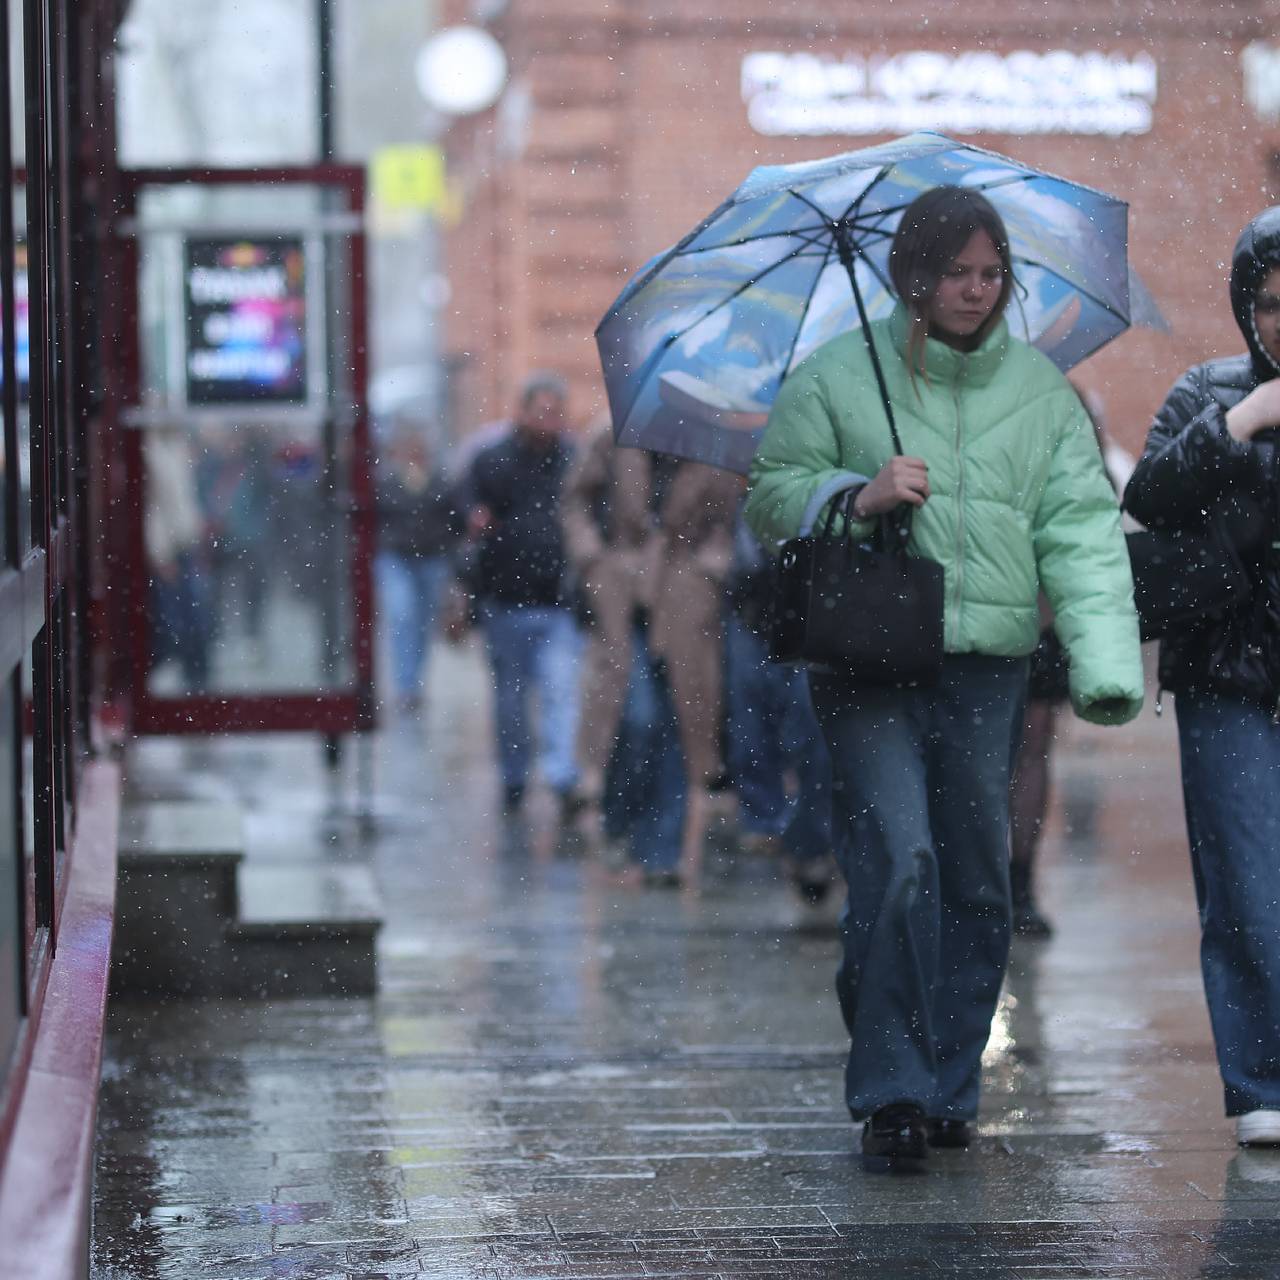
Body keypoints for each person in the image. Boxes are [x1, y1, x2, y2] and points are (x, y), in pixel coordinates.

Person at [745, 185, 1143, 1167]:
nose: (975, 289)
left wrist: (1103, 667)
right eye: (956, 271)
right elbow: (768, 496)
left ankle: (948, 1077)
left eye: (989, 272)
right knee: (897, 867)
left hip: (987, 669)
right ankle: (889, 1088)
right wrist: (855, 492)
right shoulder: (839, 376)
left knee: (974, 881)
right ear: (911, 278)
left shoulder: (1040, 394)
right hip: (869, 661)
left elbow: (1082, 532)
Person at [1123, 206, 1280, 1148]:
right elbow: (1146, 496)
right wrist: (1242, 421)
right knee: (1248, 882)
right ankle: (1263, 1079)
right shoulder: (1205, 391)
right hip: (1228, 670)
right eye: (1269, 305)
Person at [462, 373, 582, 818]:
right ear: (523, 412)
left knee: (560, 690)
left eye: (556, 412)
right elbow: (465, 512)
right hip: (505, 599)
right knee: (511, 699)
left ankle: (562, 775)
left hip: (557, 600)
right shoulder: (492, 460)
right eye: (542, 411)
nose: (549, 421)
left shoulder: (574, 460)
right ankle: (514, 776)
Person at [374, 425, 463, 713]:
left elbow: (454, 519)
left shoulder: (440, 481)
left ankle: (414, 681)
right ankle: (406, 685)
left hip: (432, 558)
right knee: (402, 616)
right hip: (398, 558)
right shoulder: (387, 482)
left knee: (422, 622)